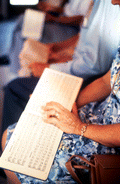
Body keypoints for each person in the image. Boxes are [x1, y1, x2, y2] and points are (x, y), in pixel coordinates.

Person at [1, 29, 120, 184]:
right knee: (12, 136)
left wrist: (79, 127)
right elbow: (107, 81)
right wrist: (69, 103)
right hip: (100, 112)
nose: (113, 2)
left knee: (16, 163)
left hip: (109, 141)